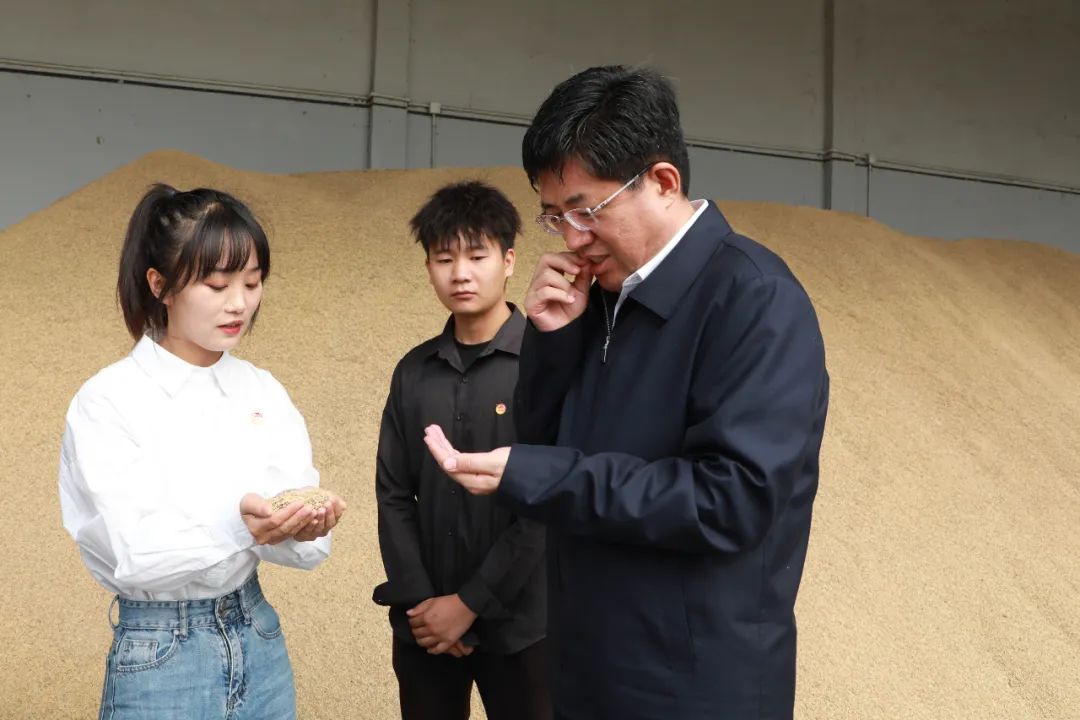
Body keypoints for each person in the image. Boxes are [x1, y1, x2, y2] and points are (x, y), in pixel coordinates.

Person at [422, 66, 829, 720]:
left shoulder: (753, 298)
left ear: (663, 182)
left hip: (694, 689)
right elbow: (546, 440)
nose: (572, 238)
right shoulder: (599, 296)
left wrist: (538, 475)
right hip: (587, 671)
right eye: (554, 216)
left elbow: (729, 499)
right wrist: (553, 340)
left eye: (586, 210)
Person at [58, 184, 346, 720]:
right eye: (217, 284)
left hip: (258, 634)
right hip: (160, 651)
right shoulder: (110, 400)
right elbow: (134, 555)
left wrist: (305, 526)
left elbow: (307, 551)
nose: (239, 303)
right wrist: (246, 527)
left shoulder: (262, 390)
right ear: (160, 285)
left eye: (252, 282)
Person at [373, 181, 551, 720]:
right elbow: (393, 494)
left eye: (477, 256)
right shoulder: (413, 371)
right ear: (428, 267)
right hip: (426, 625)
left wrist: (469, 603)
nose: (460, 273)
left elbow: (548, 500)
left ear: (509, 261)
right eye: (444, 258)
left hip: (523, 625)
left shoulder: (547, 365)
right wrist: (423, 603)